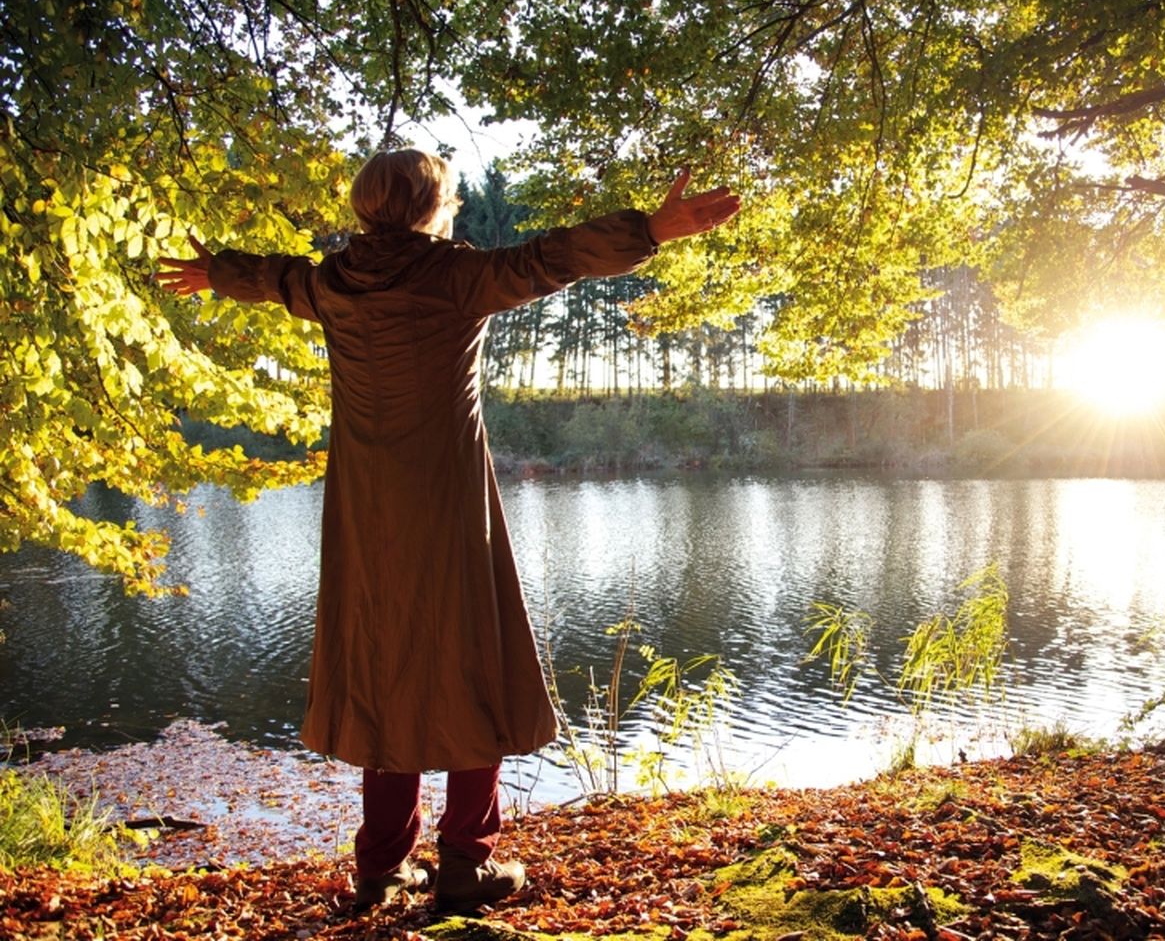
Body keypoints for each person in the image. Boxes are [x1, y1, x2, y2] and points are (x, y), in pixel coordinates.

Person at [156, 150, 740, 914]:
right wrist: (651, 229)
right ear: (432, 206)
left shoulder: (335, 283)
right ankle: (464, 863)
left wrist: (215, 272)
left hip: (366, 511)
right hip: (447, 501)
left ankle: (378, 870)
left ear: (367, 211)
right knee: (474, 659)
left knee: (382, 660)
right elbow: (550, 258)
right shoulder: (455, 277)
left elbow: (275, 279)